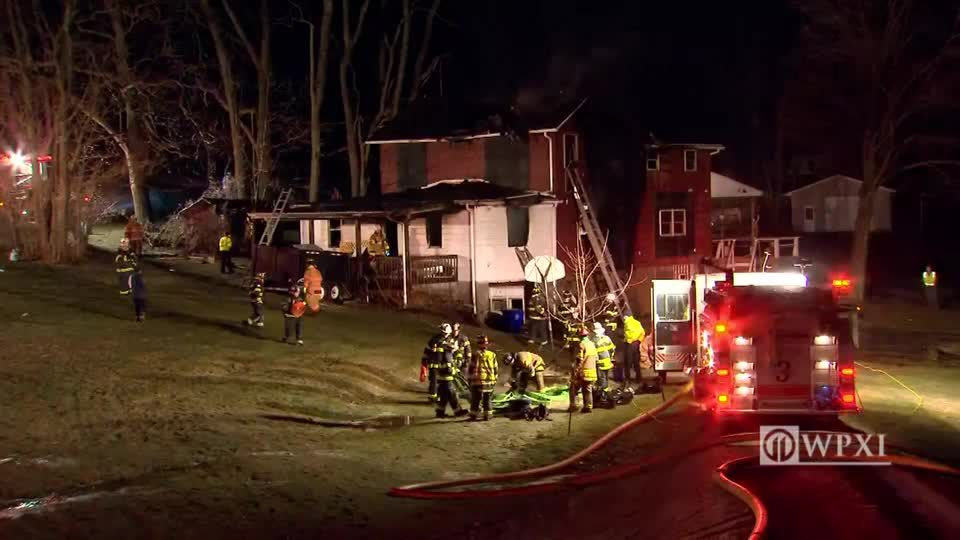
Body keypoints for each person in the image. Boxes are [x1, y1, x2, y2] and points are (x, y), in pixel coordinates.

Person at [435, 328, 469, 418]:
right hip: (447, 378)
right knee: (452, 395)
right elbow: (448, 367)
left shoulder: (443, 352)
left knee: (444, 396)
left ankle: (440, 412)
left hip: (442, 378)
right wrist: (454, 371)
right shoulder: (447, 354)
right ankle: (458, 412)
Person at [467, 336, 498, 421]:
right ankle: (487, 415)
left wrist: (469, 379)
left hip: (477, 381)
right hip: (489, 381)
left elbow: (471, 368)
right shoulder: (492, 355)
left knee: (476, 398)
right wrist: (495, 378)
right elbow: (495, 368)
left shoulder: (475, 354)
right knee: (487, 399)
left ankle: (473, 415)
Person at [423, 323, 455, 403]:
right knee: (433, 380)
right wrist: (424, 361)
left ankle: (442, 396)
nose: (444, 334)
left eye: (445, 333)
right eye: (443, 332)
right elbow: (427, 349)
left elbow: (452, 353)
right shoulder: (435, 339)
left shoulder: (450, 340)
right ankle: (433, 397)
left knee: (444, 382)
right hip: (434, 364)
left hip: (445, 365)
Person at [569, 326, 598, 413]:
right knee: (588, 389)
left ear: (580, 336)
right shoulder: (592, 344)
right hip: (592, 371)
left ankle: (574, 406)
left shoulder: (581, 344)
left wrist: (575, 371)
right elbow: (596, 358)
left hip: (583, 371)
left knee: (573, 387)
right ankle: (588, 406)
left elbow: (580, 359)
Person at [591, 322, 615, 399]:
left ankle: (603, 394)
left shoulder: (593, 341)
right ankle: (605, 391)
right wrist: (610, 357)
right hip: (607, 362)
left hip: (600, 363)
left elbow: (592, 353)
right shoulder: (607, 338)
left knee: (602, 378)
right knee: (606, 377)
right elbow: (612, 349)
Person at [622, 312, 646, 387]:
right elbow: (643, 332)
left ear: (627, 316)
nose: (624, 318)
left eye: (624, 316)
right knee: (636, 362)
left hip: (630, 344)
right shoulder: (637, 322)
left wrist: (628, 340)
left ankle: (627, 380)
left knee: (627, 363)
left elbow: (628, 334)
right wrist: (639, 341)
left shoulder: (627, 322)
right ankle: (638, 378)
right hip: (636, 344)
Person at [281, 279, 306, 345]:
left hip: (298, 315)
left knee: (299, 326)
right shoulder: (288, 298)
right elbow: (284, 306)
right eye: (296, 292)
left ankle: (299, 339)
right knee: (288, 327)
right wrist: (287, 309)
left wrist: (301, 308)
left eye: (298, 292)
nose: (297, 293)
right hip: (289, 315)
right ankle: (287, 337)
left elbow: (303, 306)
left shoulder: (300, 298)